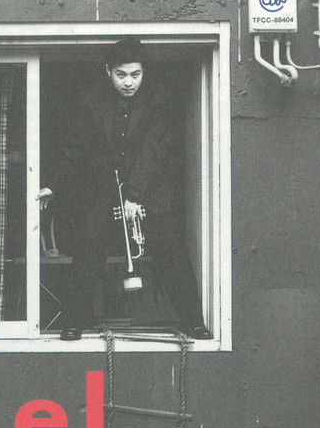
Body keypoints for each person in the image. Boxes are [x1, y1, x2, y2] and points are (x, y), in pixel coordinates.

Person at [38, 37, 212, 341]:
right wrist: (54, 184)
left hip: (151, 191)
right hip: (106, 190)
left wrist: (134, 196)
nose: (129, 82)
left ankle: (193, 320)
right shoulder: (91, 101)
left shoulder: (159, 99)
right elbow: (75, 148)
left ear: (144, 71)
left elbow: (153, 150)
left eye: (135, 74)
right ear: (108, 71)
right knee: (89, 240)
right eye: (121, 75)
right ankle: (74, 321)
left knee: (171, 243)